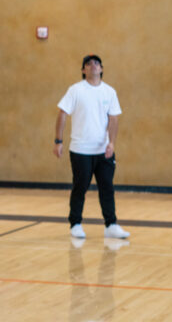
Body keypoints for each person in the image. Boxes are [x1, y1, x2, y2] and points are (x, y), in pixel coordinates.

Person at [54, 54, 130, 240]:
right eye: (88, 64)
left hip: (103, 150)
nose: (93, 66)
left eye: (96, 63)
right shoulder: (75, 90)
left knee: (107, 187)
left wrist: (111, 143)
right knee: (80, 187)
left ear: (102, 69)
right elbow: (62, 114)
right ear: (83, 70)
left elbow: (113, 119)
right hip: (80, 150)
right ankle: (75, 224)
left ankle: (111, 224)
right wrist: (58, 141)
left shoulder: (109, 92)